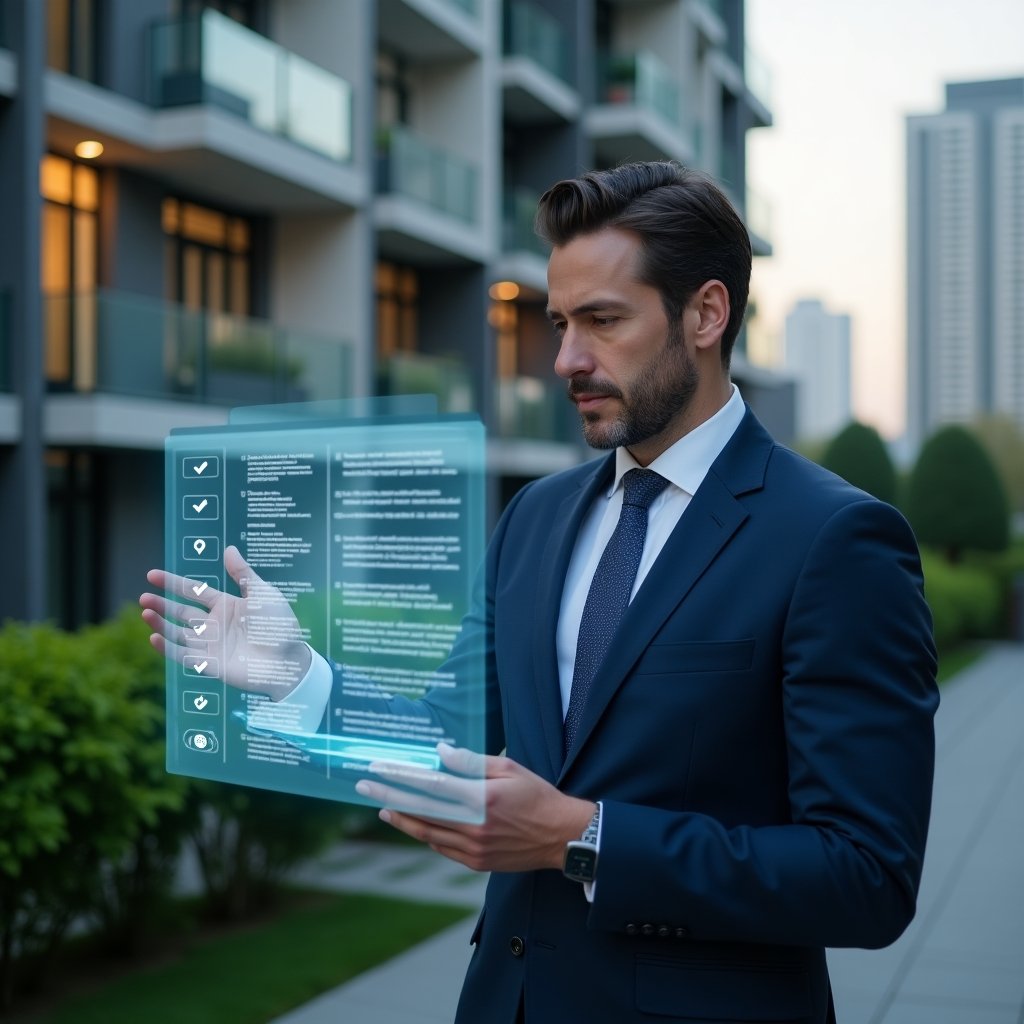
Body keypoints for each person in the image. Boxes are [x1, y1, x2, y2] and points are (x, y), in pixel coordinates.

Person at [144, 162, 938, 1023]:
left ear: (707, 314)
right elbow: (453, 741)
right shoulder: (536, 515)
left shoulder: (835, 540)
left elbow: (866, 875)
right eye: (559, 322)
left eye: (602, 320)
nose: (566, 359)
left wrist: (582, 840)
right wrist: (302, 679)